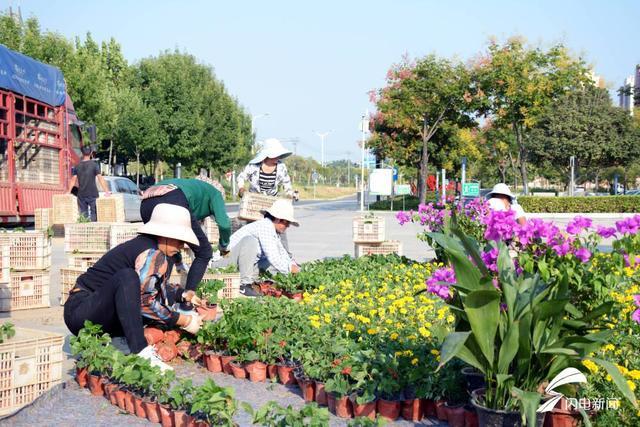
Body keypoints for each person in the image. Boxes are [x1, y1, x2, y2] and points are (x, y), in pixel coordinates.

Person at [64, 204, 204, 370]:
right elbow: (145, 302)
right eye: (180, 241)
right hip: (80, 311)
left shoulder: (153, 249)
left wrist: (183, 295)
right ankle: (141, 352)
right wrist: (184, 320)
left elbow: (156, 288)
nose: (181, 246)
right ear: (165, 235)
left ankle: (119, 340)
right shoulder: (150, 253)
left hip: (100, 312)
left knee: (152, 300)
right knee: (128, 278)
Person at [140, 178, 231, 292]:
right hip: (173, 200)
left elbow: (176, 237)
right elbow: (224, 224)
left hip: (146, 202)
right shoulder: (215, 193)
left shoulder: (193, 187)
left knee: (164, 247)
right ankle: (187, 299)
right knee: (204, 252)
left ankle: (151, 292)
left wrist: (178, 260)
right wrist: (224, 245)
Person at [227, 199, 300, 296]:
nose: (288, 226)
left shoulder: (273, 231)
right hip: (227, 262)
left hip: (240, 264)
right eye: (286, 223)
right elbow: (274, 257)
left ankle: (253, 281)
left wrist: (295, 267)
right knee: (250, 241)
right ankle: (244, 285)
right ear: (278, 219)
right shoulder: (265, 226)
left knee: (268, 260)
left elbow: (282, 253)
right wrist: (290, 269)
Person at [67, 145, 110, 222]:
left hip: (81, 195)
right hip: (93, 194)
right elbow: (100, 179)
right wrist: (107, 191)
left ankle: (85, 231)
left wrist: (68, 192)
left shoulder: (77, 166)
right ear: (91, 153)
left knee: (83, 216)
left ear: (82, 153)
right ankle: (93, 231)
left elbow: (73, 180)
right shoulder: (94, 165)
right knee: (94, 215)